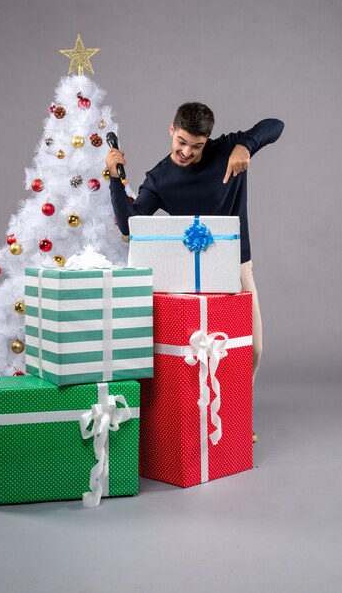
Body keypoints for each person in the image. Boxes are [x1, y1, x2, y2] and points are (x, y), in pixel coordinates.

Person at [106, 103, 284, 442]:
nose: (187, 152)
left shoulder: (227, 149)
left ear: (208, 141)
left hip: (235, 264)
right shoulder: (159, 177)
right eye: (182, 141)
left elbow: (275, 124)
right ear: (171, 130)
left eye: (197, 146)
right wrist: (115, 179)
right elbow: (130, 226)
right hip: (188, 273)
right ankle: (191, 424)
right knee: (189, 356)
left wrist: (247, 146)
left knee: (253, 348)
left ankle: (235, 415)